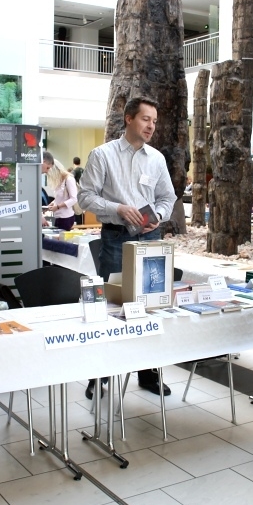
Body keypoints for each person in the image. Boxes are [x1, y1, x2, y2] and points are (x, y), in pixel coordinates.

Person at [78, 96, 176, 398]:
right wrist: (118, 208)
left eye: (155, 121)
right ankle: (100, 375)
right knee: (111, 308)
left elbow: (167, 199)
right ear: (129, 119)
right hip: (115, 239)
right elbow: (86, 198)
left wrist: (157, 217)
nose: (151, 126)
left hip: (149, 240)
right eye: (146, 119)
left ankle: (148, 373)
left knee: (147, 307)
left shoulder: (156, 159)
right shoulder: (102, 155)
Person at [43, 159, 78, 231]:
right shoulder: (58, 181)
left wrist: (58, 206)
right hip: (58, 216)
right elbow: (60, 198)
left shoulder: (69, 179)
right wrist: (52, 204)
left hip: (66, 217)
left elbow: (74, 199)